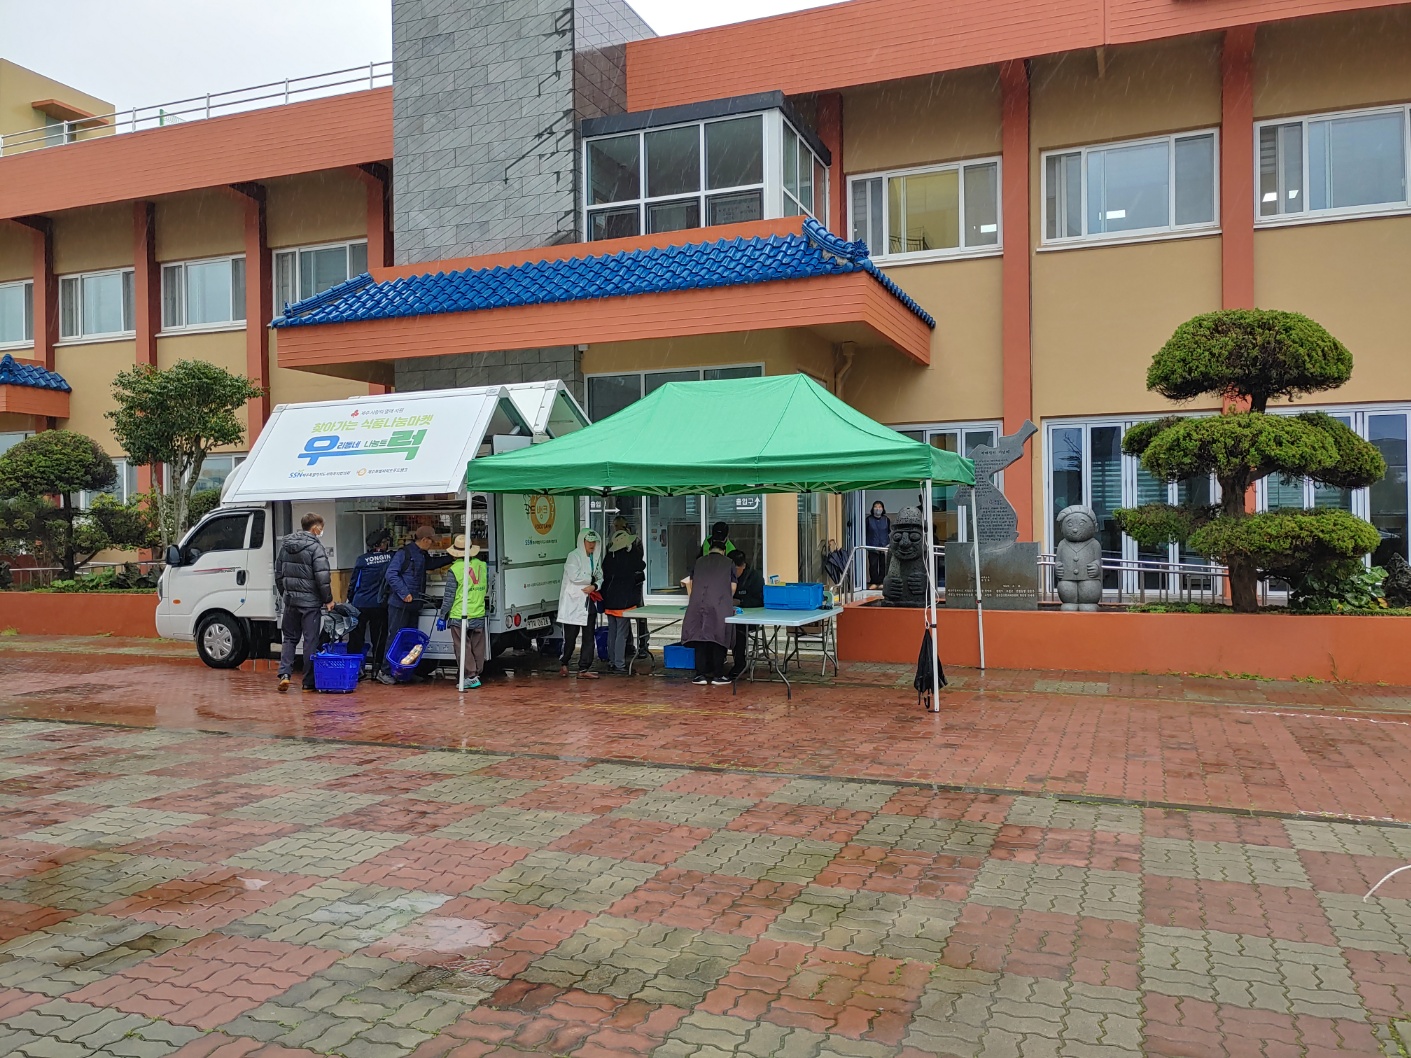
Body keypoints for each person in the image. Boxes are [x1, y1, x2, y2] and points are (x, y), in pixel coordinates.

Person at [376, 525, 454, 684]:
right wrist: (404, 593)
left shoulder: (421, 554)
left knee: (410, 639)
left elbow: (431, 564)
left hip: (414, 603)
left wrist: (451, 557)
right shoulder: (403, 553)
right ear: (425, 540)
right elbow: (391, 574)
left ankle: (405, 671)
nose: (432, 544)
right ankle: (385, 671)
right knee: (395, 637)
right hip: (399, 604)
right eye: (431, 541)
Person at [275, 512, 333, 692]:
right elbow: (322, 578)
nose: (321, 531)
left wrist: (286, 594)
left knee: (289, 638)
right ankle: (308, 683)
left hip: (291, 601)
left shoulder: (286, 546)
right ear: (315, 528)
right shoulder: (316, 548)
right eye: (321, 528)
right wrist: (328, 600)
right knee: (310, 641)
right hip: (310, 604)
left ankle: (285, 674)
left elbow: (279, 574)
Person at [682, 530, 736, 686]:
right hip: (719, 605)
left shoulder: (699, 562)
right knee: (718, 638)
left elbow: (691, 584)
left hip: (698, 604)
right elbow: (732, 587)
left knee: (700, 638)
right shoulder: (729, 563)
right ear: (724, 551)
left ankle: (700, 675)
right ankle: (718, 675)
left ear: (709, 549)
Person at [436, 535, 488, 691]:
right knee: (477, 646)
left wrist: (442, 616)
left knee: (462, 646)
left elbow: (449, 596)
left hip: (460, 613)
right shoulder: (481, 565)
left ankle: (470, 676)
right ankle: (476, 673)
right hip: (478, 611)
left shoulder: (455, 569)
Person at [599, 525, 645, 675]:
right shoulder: (629, 557)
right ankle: (620, 664)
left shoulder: (608, 558)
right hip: (624, 601)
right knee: (622, 633)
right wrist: (633, 550)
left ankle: (612, 661)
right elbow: (641, 564)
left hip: (609, 600)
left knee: (612, 631)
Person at [347, 528, 393, 673]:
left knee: (356, 638)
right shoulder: (391, 557)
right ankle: (376, 669)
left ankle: (355, 669)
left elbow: (354, 582)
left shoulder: (362, 559)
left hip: (359, 603)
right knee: (379, 638)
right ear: (382, 543)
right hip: (379, 604)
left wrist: (350, 598)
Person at [558, 528, 601, 679]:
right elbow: (574, 576)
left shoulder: (595, 558)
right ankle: (564, 662)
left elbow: (600, 576)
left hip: (589, 602)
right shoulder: (573, 556)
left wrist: (595, 586)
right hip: (573, 602)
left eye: (594, 542)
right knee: (570, 637)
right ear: (582, 542)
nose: (592, 545)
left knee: (589, 636)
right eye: (589, 542)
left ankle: (584, 668)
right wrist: (591, 580)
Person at [727, 549, 764, 679]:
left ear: (743, 566)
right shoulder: (724, 576)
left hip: (750, 618)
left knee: (738, 628)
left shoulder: (755, 577)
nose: (733, 573)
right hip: (728, 615)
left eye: (735, 570)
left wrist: (741, 602)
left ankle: (740, 664)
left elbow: (760, 600)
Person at [865, 502, 891, 588]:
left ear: (883, 509)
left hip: (884, 546)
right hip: (872, 546)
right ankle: (874, 582)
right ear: (872, 508)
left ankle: (882, 582)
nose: (877, 509)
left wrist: (888, 544)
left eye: (880, 507)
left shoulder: (886, 520)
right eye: (875, 507)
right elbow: (865, 532)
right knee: (873, 565)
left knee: (883, 565)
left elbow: (889, 532)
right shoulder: (868, 520)